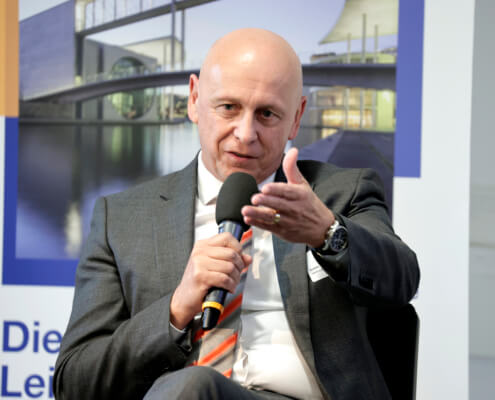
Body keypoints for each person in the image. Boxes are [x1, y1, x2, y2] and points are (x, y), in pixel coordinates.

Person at [54, 28, 419, 400]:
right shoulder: (121, 218)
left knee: (195, 387)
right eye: (228, 107)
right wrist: (175, 310)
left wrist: (327, 233)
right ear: (194, 99)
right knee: (194, 387)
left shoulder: (339, 193)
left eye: (267, 114)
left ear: (296, 118)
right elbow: (75, 383)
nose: (245, 134)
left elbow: (403, 280)